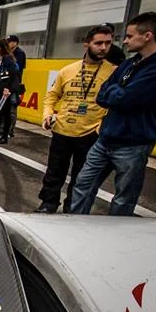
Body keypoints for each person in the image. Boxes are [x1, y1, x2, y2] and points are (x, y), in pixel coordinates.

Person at [70, 12, 156, 216]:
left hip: (134, 143)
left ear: (147, 36)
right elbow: (103, 94)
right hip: (106, 138)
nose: (125, 41)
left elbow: (128, 98)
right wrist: (119, 93)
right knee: (83, 184)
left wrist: (119, 93)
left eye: (129, 36)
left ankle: (117, 230)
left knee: (124, 197)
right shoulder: (130, 63)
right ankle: (75, 223)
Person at [36, 25, 116, 213]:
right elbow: (52, 96)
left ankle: (72, 208)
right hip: (62, 129)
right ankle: (48, 204)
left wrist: (102, 127)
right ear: (87, 44)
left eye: (108, 43)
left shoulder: (114, 72)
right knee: (54, 171)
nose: (103, 48)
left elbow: (116, 104)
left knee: (82, 177)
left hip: (91, 133)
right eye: (98, 43)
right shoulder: (67, 70)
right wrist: (47, 115)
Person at [7, 35, 27, 137]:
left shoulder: (20, 54)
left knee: (12, 109)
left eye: (9, 42)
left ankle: (10, 130)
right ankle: (4, 129)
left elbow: (17, 69)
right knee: (5, 109)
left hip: (14, 84)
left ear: (15, 43)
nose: (8, 44)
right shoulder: (7, 53)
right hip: (6, 84)